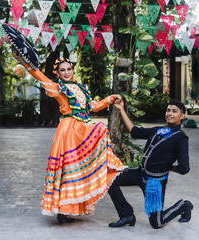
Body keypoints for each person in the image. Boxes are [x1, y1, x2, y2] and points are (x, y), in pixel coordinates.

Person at [12, 51, 126, 224]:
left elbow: (93, 107)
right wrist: (21, 60)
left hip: (82, 128)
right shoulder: (58, 88)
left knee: (76, 170)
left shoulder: (81, 88)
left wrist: (110, 99)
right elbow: (40, 76)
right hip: (69, 131)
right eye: (62, 70)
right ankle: (62, 211)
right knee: (67, 169)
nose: (66, 72)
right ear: (57, 73)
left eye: (68, 69)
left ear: (73, 70)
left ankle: (66, 210)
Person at [108, 99, 193, 229]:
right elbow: (134, 131)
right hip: (139, 173)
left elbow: (184, 168)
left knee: (157, 223)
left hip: (155, 183)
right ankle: (126, 215)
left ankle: (184, 205)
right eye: (168, 110)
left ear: (182, 116)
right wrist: (121, 109)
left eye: (174, 111)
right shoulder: (158, 130)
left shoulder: (181, 138)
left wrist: (168, 167)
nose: (169, 113)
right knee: (110, 180)